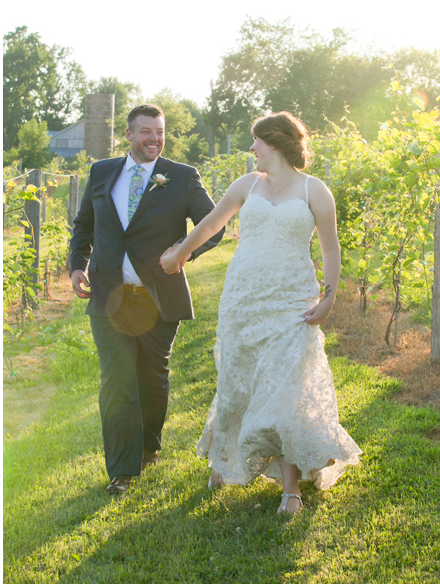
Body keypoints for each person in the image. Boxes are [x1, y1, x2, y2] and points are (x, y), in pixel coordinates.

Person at [160, 111, 361, 515]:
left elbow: (330, 247)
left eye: (258, 142)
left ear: (277, 143)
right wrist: (180, 254)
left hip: (291, 302)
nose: (252, 149)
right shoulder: (247, 184)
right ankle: (226, 458)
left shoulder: (314, 191)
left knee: (284, 394)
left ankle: (291, 489)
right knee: (237, 384)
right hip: (243, 299)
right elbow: (211, 225)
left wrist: (330, 295)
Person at [69, 103, 225, 495]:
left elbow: (215, 226)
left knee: (151, 380)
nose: (155, 139)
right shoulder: (101, 172)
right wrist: (77, 264)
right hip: (108, 297)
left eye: (160, 132)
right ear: (129, 135)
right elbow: (84, 225)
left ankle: (149, 446)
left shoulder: (182, 177)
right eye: (146, 132)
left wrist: (180, 253)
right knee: (117, 380)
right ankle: (122, 470)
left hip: (158, 297)